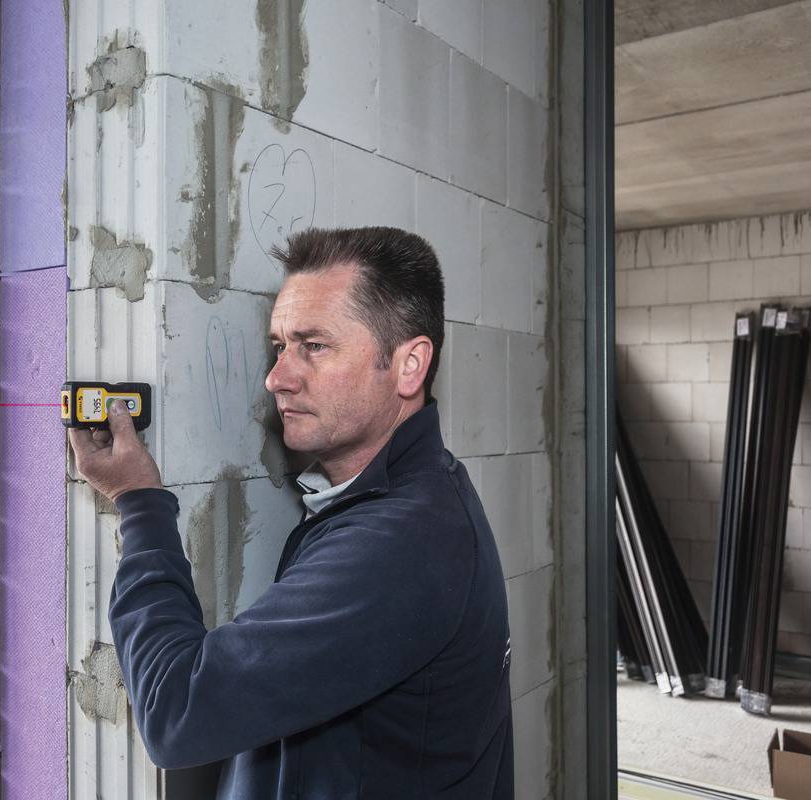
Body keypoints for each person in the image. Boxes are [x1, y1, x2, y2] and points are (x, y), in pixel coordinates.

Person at [68, 226, 513, 798]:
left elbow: (176, 710)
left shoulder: (404, 541)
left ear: (409, 365)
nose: (276, 378)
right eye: (279, 346)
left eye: (314, 346)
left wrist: (139, 501)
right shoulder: (396, 495)